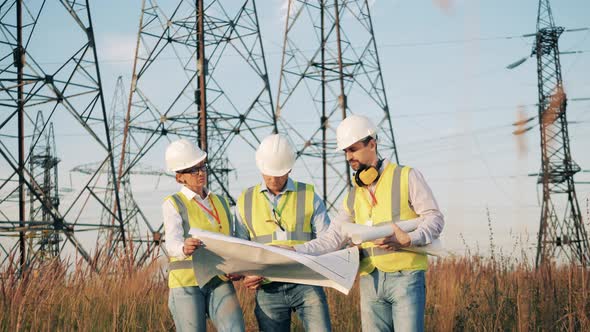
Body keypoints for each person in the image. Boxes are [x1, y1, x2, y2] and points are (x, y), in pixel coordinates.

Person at [293, 115, 444, 332]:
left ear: (372, 144)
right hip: (370, 281)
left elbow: (435, 218)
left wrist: (409, 238)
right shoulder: (354, 195)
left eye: (353, 149)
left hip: (406, 278)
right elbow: (332, 238)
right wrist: (294, 250)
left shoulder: (406, 176)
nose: (348, 157)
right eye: (345, 151)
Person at [234, 134, 332, 332]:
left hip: (307, 281)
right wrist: (247, 273)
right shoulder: (245, 200)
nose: (272, 178)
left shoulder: (309, 195)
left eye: (278, 173)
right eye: (267, 173)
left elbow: (329, 240)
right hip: (268, 288)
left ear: (289, 168)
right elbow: (239, 249)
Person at [162, 138, 245, 332]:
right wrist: (184, 248)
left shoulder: (222, 202)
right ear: (179, 177)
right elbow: (172, 242)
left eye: (202, 167)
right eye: (192, 169)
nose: (200, 173)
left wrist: (238, 267)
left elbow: (232, 243)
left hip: (219, 279)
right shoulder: (173, 203)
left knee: (235, 329)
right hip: (187, 282)